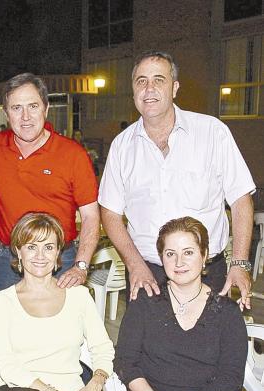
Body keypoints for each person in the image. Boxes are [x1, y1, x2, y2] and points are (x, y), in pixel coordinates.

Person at [98, 50, 256, 309]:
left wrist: (239, 263)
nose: (149, 88)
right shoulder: (121, 146)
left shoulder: (212, 132)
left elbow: (240, 199)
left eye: (159, 79)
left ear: (175, 87)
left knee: (208, 348)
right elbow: (110, 212)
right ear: (133, 91)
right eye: (141, 81)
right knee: (142, 350)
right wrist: (135, 265)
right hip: (147, 275)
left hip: (207, 274)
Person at [0, 73, 100, 292]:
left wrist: (81, 266)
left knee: (62, 326)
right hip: (10, 261)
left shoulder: (73, 154)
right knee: (9, 325)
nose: (26, 116)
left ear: (46, 109)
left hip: (60, 260)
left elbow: (91, 216)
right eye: (16, 108)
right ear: (5, 113)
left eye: (33, 106)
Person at [113, 216, 247, 391]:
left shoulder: (228, 313)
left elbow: (231, 376)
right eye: (170, 254)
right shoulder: (144, 303)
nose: (179, 262)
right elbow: (124, 361)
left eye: (188, 252)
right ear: (161, 258)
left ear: (204, 255)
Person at [0, 212, 114, 391]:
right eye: (31, 247)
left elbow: (102, 347)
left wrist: (96, 383)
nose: (40, 256)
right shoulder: (1, 302)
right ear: (18, 251)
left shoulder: (79, 295)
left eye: (48, 247)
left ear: (57, 252)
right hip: (17, 390)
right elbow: (8, 365)